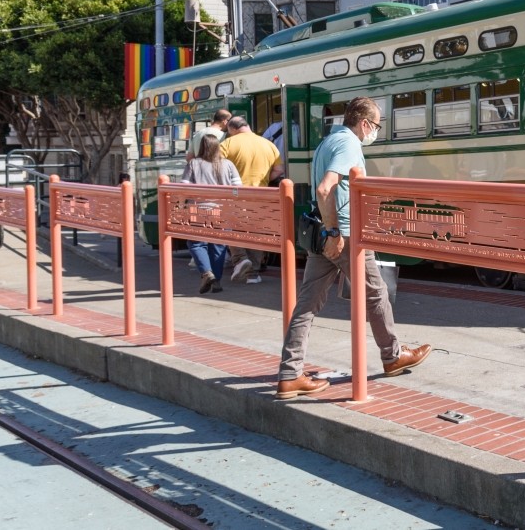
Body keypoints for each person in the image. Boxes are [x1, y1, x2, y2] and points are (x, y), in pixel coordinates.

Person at [275, 97, 432, 399]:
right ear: (363, 123)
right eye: (375, 125)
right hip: (344, 236)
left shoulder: (327, 142)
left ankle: (289, 374)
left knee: (307, 305)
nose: (374, 131)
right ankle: (393, 356)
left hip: (323, 236)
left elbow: (321, 190)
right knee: (376, 294)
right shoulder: (349, 145)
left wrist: (328, 231)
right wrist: (336, 232)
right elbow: (326, 188)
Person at [219, 115, 284, 283]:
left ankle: (240, 259)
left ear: (232, 129)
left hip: (236, 194)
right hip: (261, 195)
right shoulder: (268, 144)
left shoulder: (227, 144)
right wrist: (263, 179)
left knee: (231, 228)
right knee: (257, 232)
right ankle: (253, 274)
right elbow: (278, 170)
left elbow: (216, 168)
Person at [181, 134, 242, 294]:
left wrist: (181, 206)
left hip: (198, 210)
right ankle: (217, 281)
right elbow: (238, 188)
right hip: (223, 211)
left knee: (196, 243)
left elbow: (183, 187)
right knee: (218, 246)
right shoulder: (228, 164)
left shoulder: (193, 164)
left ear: (201, 147)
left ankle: (207, 273)